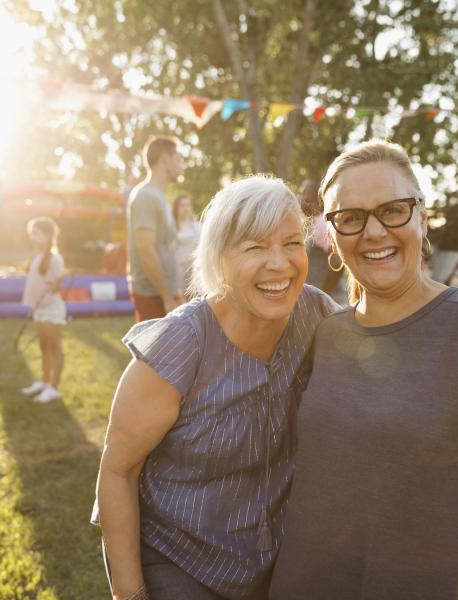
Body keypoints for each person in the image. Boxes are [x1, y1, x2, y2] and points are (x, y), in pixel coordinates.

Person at [270, 140, 458, 600]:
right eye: (351, 218)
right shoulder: (324, 334)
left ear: (422, 218)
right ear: (333, 239)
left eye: (393, 209)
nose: (374, 231)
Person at [95, 175, 338, 600]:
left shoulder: (317, 314)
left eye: (290, 243)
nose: (279, 263)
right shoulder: (181, 343)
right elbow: (119, 470)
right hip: (178, 559)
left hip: (274, 563)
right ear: (221, 259)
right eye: (256, 247)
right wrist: (129, 594)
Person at [127, 135, 184, 322]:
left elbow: (166, 248)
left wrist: (174, 291)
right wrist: (167, 298)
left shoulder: (159, 197)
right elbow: (145, 251)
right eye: (178, 159)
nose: (181, 165)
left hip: (164, 295)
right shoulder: (146, 196)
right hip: (152, 296)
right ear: (165, 159)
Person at [20, 217, 66, 404]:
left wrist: (42, 303)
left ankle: (54, 388)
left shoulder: (54, 258)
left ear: (47, 235)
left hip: (51, 309)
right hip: (39, 309)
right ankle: (44, 382)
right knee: (43, 346)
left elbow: (55, 286)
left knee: (54, 347)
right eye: (32, 233)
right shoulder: (37, 256)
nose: (33, 237)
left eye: (36, 233)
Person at [298, 180, 342, 299]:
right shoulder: (309, 224)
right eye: (301, 194)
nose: (301, 199)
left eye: (305, 197)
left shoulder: (322, 224)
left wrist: (323, 295)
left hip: (330, 302)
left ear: (317, 200)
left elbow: (338, 261)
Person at [172, 193, 201, 298]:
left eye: (187, 205)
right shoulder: (171, 227)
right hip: (177, 270)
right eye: (182, 205)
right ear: (176, 208)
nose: (185, 208)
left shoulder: (198, 227)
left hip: (194, 269)